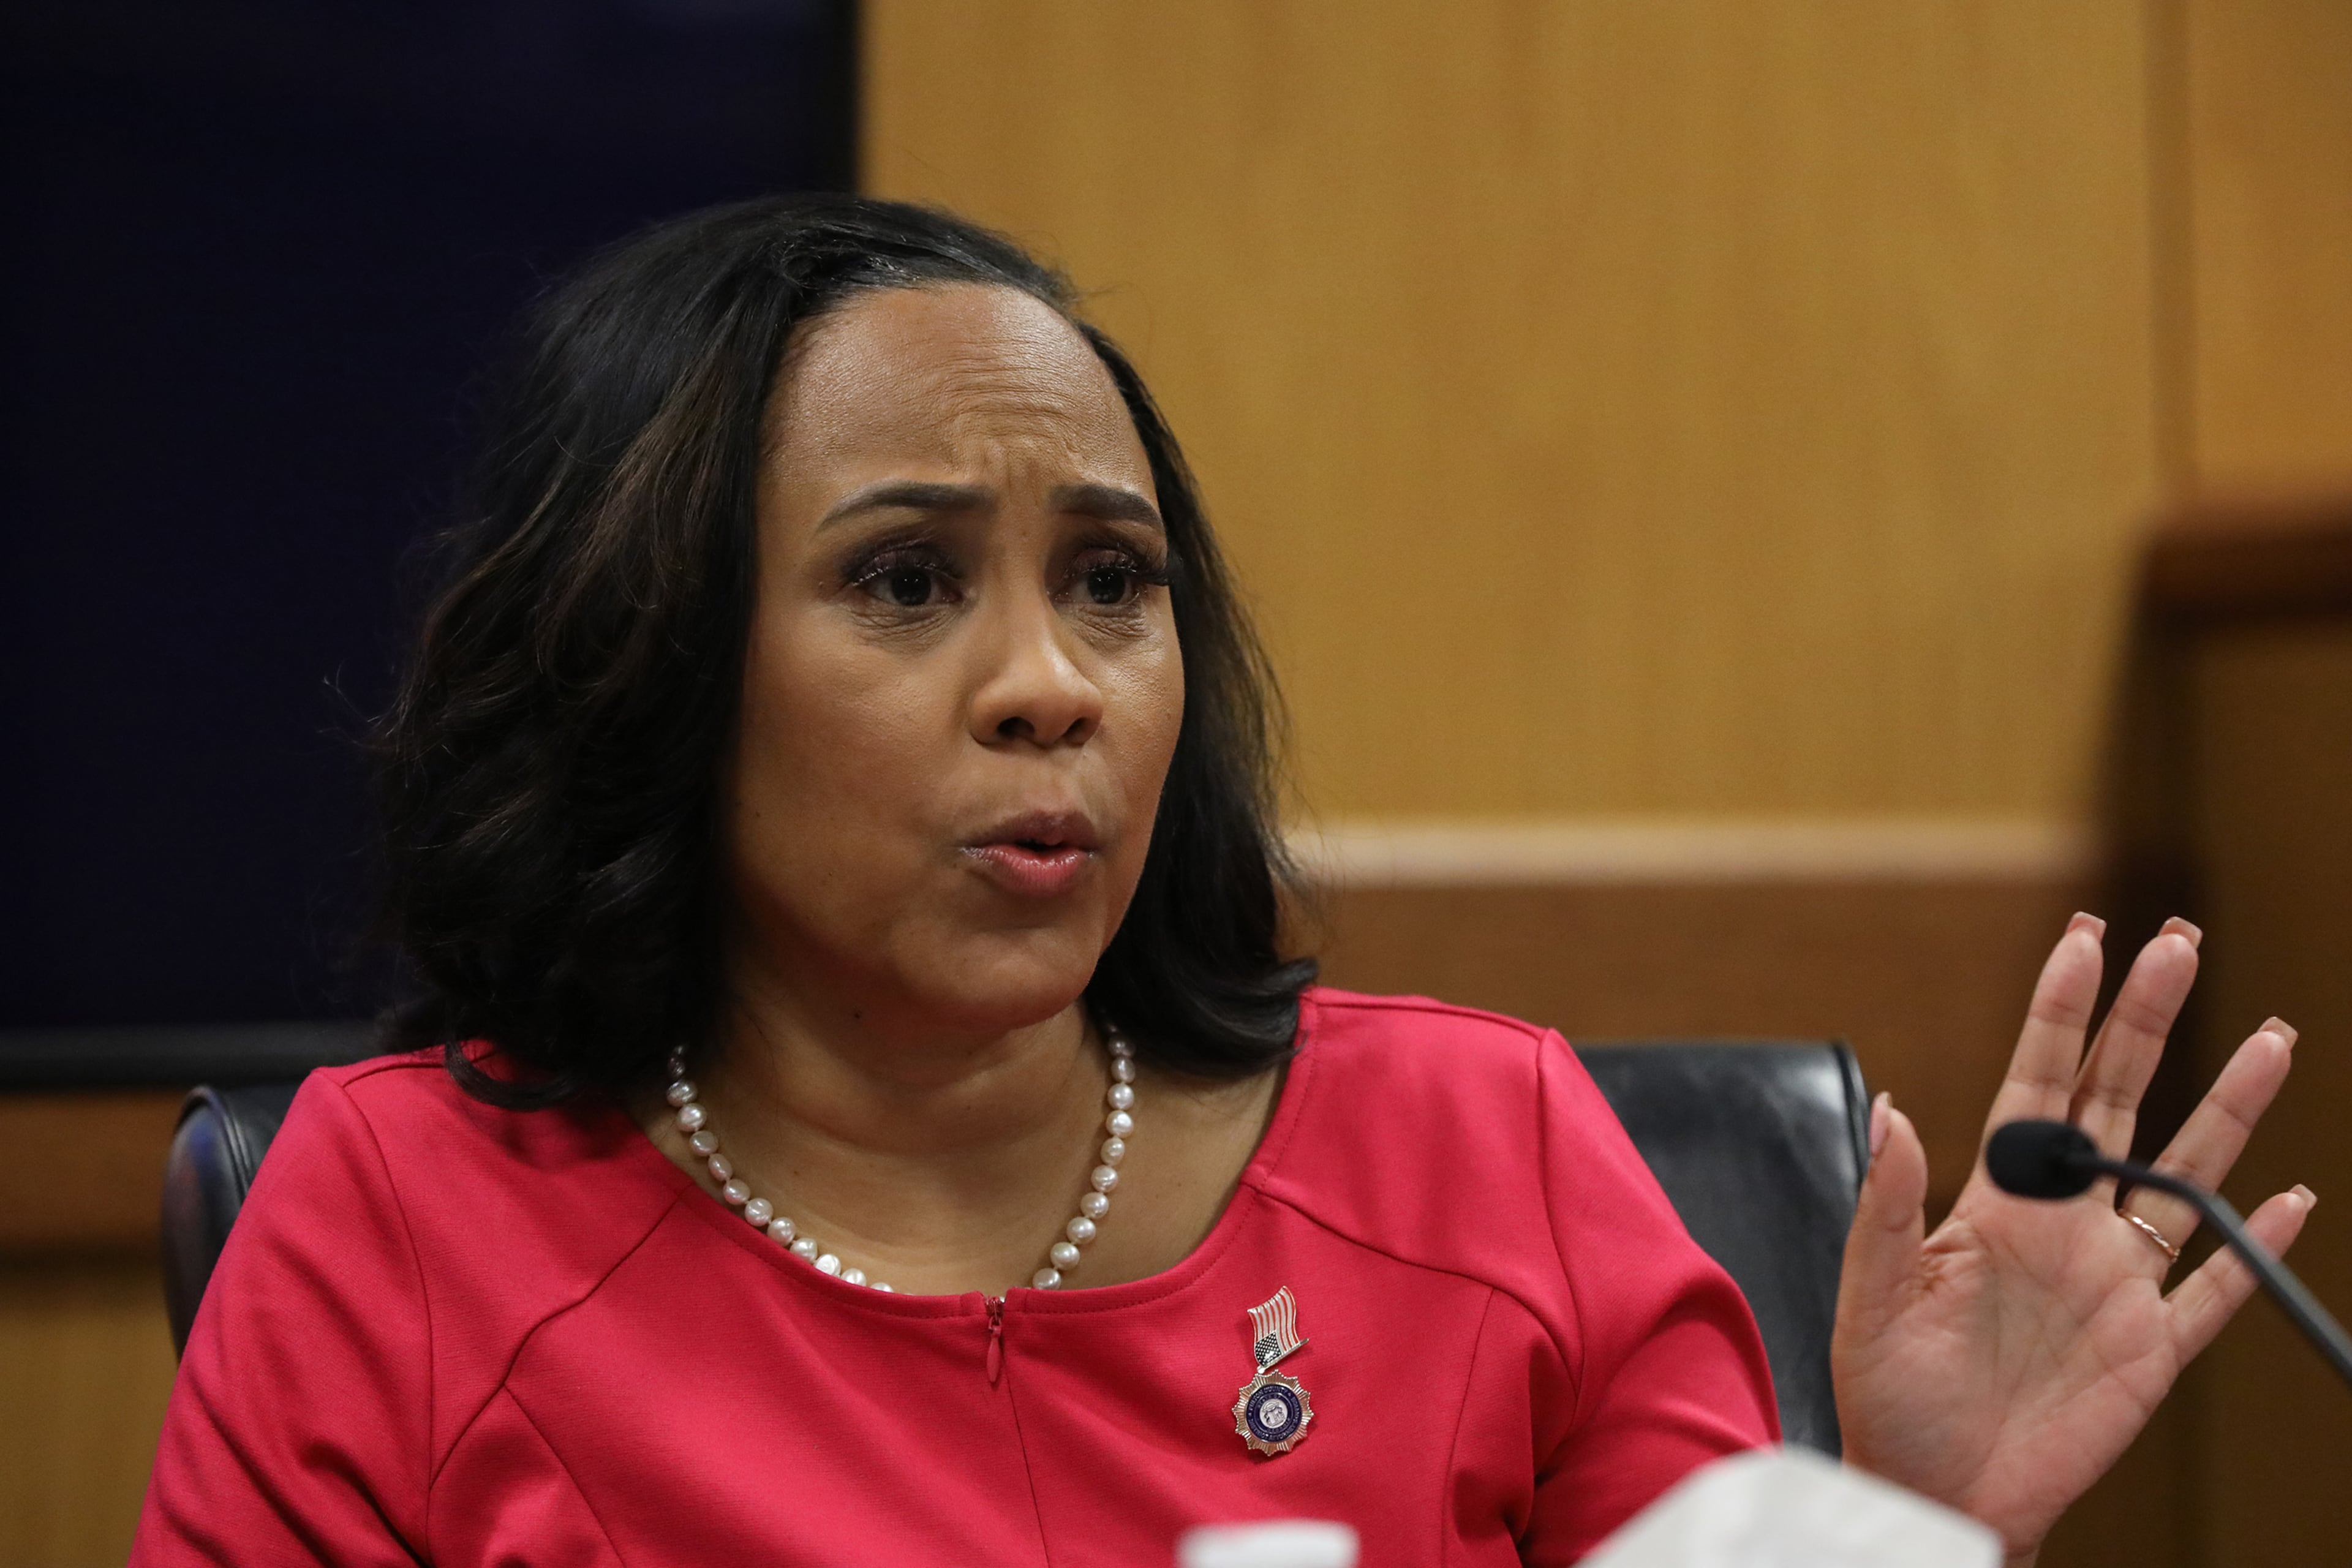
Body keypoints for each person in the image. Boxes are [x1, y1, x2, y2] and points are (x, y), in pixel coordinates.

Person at [130, 197, 2313, 1566]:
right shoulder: (394, 1223)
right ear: (656, 664)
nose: (1052, 685)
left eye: (1113, 584)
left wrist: (1904, 1533)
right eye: (905, 584)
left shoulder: (1490, 1150)